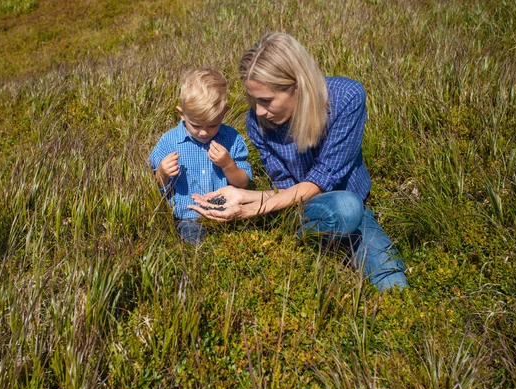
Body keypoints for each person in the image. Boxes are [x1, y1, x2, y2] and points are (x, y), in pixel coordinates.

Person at [189, 34, 408, 291]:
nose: (258, 111)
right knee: (347, 210)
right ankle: (321, 238)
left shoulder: (348, 99)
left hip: (345, 202)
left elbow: (323, 178)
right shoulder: (258, 122)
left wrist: (252, 209)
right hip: (300, 209)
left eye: (266, 100)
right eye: (253, 99)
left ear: (297, 86)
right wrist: (243, 195)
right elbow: (286, 189)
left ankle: (326, 240)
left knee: (393, 284)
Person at [150, 66, 252, 246]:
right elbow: (154, 182)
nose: (204, 132)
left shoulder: (231, 139)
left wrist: (228, 165)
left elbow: (244, 183)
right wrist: (163, 172)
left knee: (244, 239)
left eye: (213, 125)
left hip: (228, 213)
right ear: (182, 114)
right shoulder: (169, 141)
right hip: (189, 217)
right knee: (199, 243)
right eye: (196, 125)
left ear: (224, 113)